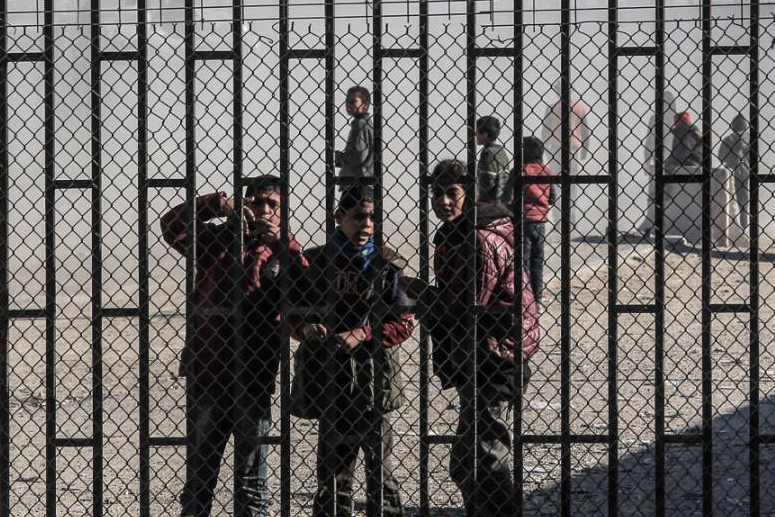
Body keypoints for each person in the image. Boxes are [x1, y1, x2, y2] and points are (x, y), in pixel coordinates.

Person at [161, 175, 305, 517]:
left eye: (273, 204)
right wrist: (217, 204)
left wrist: (281, 245)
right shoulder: (217, 241)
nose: (264, 210)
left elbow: (306, 292)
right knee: (200, 477)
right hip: (209, 373)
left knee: (252, 481)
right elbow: (171, 226)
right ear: (244, 205)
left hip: (254, 378)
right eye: (257, 201)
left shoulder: (285, 250)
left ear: (282, 213)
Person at [418, 159, 540, 516]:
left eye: (452, 193)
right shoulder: (463, 233)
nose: (443, 201)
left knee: (486, 458)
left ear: (469, 194)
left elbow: (465, 305)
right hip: (484, 352)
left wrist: (418, 295)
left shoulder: (478, 238)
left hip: (494, 356)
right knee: (468, 460)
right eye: (437, 193)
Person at [290, 186, 415, 517]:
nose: (367, 225)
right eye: (359, 216)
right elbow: (293, 313)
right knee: (333, 477)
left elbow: (403, 323)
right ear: (339, 216)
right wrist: (307, 329)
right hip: (331, 379)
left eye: (374, 217)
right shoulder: (317, 263)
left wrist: (364, 333)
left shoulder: (388, 266)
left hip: (373, 381)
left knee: (381, 475)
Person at [504, 136, 556, 303]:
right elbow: (552, 197)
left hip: (523, 221)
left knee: (523, 262)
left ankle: (525, 300)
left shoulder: (520, 170)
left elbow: (507, 195)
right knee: (537, 263)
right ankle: (537, 298)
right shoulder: (546, 171)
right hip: (540, 222)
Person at [541, 97, 590, 229]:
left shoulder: (551, 107)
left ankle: (559, 218)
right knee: (571, 184)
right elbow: (585, 131)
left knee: (556, 183)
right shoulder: (579, 108)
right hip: (573, 149)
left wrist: (543, 150)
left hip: (555, 148)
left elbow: (545, 131)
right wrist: (585, 149)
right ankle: (570, 216)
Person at [639, 92, 678, 239]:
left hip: (659, 161)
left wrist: (646, 160)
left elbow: (649, 141)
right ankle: (665, 222)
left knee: (654, 193)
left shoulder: (655, 118)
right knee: (670, 193)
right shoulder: (676, 119)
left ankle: (653, 221)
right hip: (673, 161)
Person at [718, 113, 750, 232]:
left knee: (729, 200)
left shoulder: (728, 140)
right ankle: (744, 226)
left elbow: (721, 157)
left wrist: (731, 159)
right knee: (743, 201)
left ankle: (731, 227)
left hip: (730, 172)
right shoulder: (750, 139)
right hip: (746, 173)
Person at [336, 85, 374, 183]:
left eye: (353, 101)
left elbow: (358, 157)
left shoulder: (360, 124)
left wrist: (339, 157)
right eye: (347, 101)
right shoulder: (365, 123)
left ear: (366, 105)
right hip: (362, 181)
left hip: (357, 183)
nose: (348, 105)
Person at [475, 115, 511, 204]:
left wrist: (478, 197)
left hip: (490, 202)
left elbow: (487, 181)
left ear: (484, 134)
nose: (475, 135)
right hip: (502, 201)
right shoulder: (501, 151)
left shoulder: (487, 153)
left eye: (477, 132)